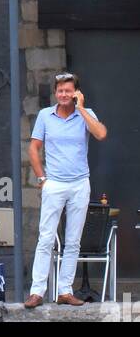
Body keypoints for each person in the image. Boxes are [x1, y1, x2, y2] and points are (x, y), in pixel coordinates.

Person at [25, 72, 107, 309]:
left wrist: (81, 108)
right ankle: (37, 291)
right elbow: (33, 148)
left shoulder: (86, 114)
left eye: (68, 91)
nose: (63, 95)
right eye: (60, 91)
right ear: (55, 93)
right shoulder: (44, 115)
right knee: (46, 238)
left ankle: (64, 290)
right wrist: (42, 178)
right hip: (55, 184)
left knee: (73, 241)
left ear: (76, 93)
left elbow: (101, 134)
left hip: (80, 182)